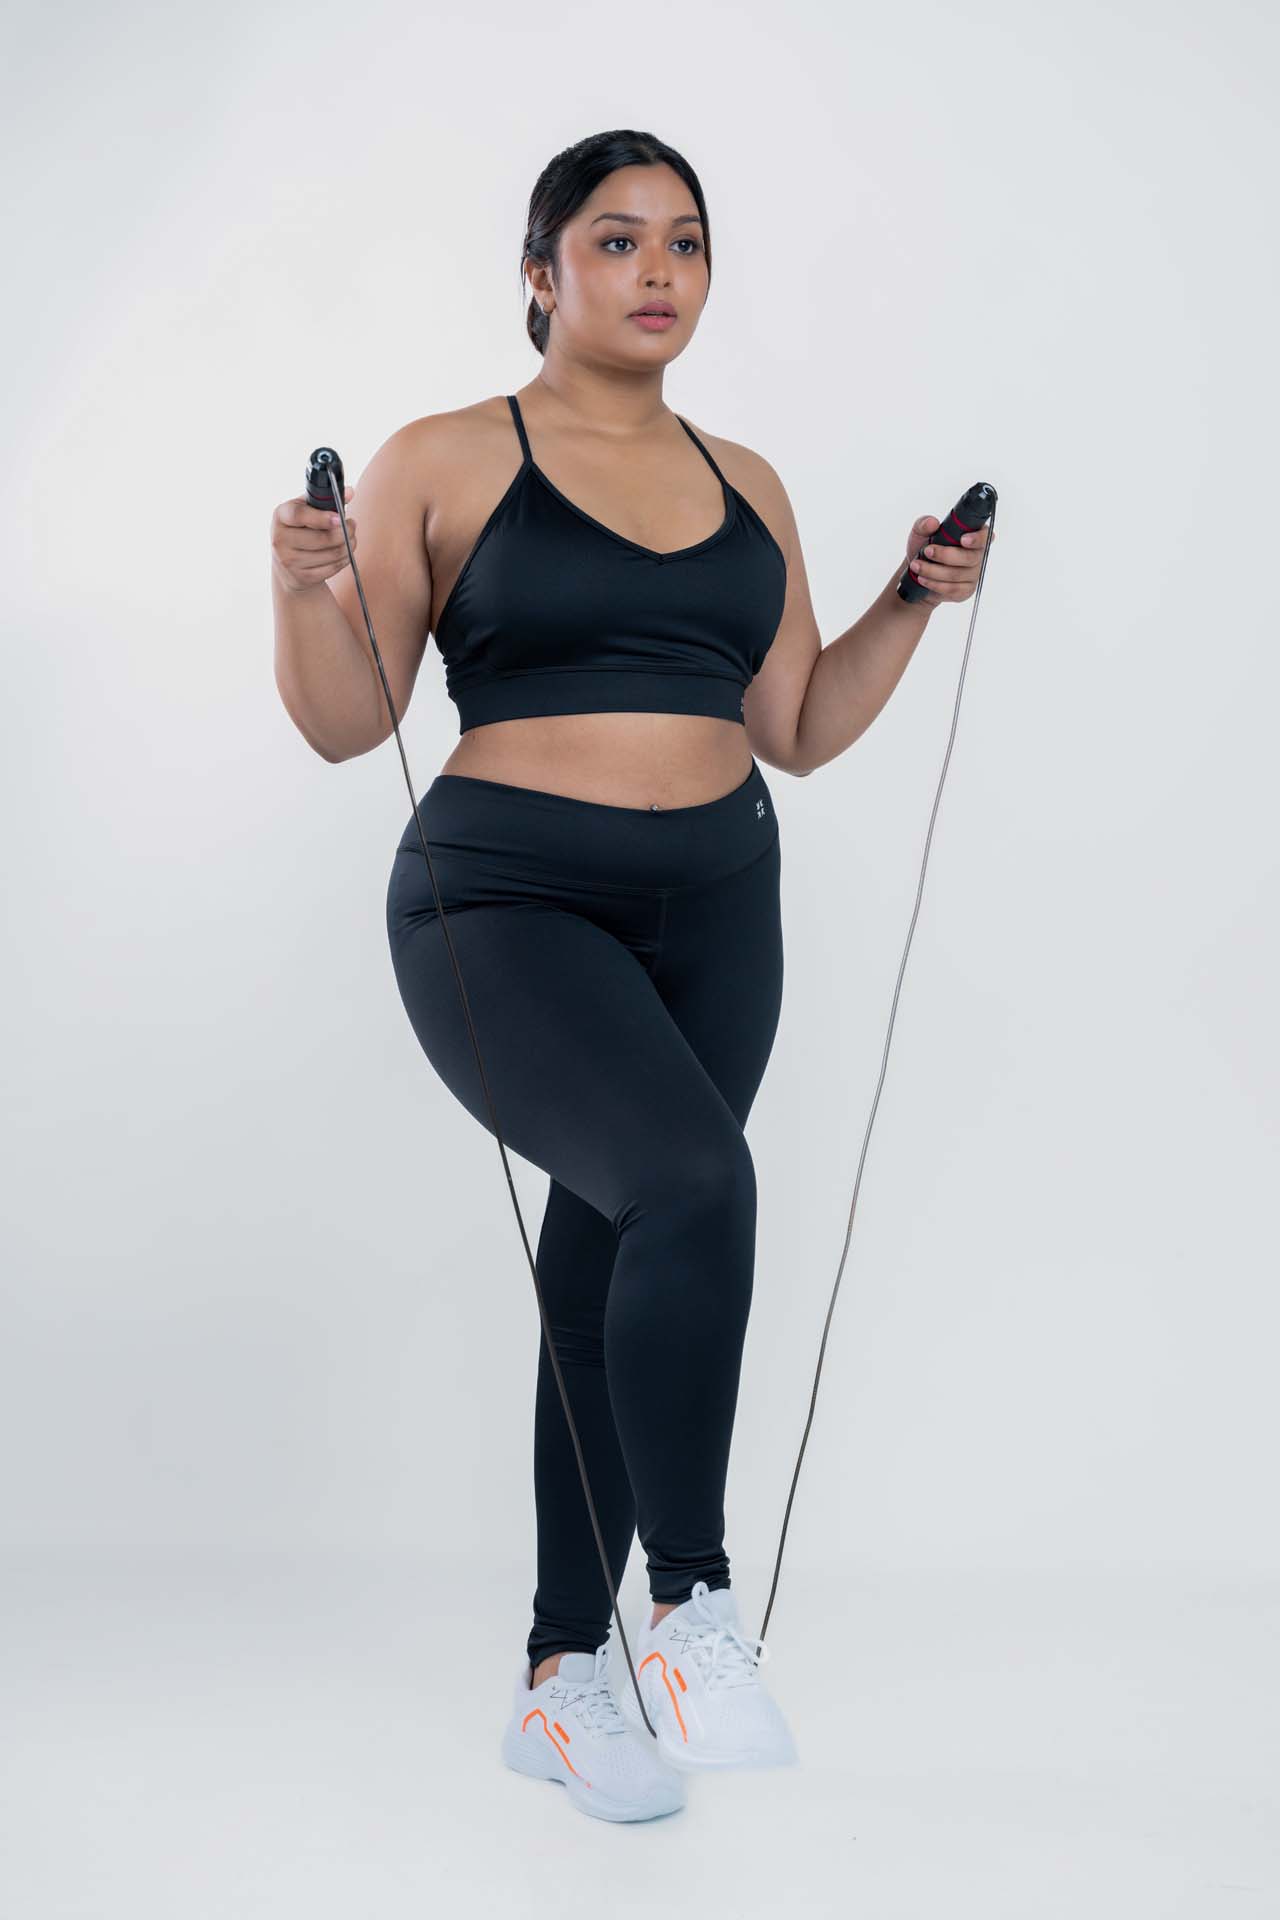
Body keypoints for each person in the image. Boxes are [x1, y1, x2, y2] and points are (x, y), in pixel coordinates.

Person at [270, 128, 985, 1824]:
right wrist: (301, 590)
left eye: (685, 241)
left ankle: (560, 1678)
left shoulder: (749, 481)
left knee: (611, 1260)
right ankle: (691, 1609)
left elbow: (796, 725)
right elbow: (343, 723)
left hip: (722, 902)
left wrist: (909, 598)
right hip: (504, 901)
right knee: (693, 1185)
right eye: (615, 239)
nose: (657, 269)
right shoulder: (445, 457)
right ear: (541, 273)